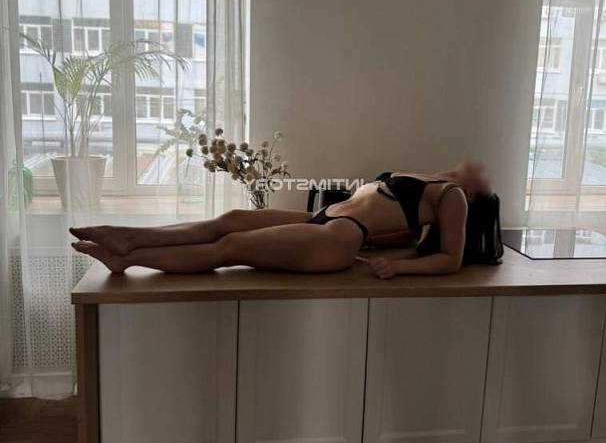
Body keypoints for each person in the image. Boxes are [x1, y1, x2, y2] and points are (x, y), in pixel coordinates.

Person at [70, 161, 503, 278]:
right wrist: (395, 247)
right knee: (230, 218)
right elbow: (402, 228)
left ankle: (129, 258)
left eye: (481, 178)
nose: (477, 171)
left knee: (230, 248)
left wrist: (399, 268)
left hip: (340, 234)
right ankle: (129, 236)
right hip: (324, 218)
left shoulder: (454, 197)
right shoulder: (435, 178)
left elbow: (450, 259)